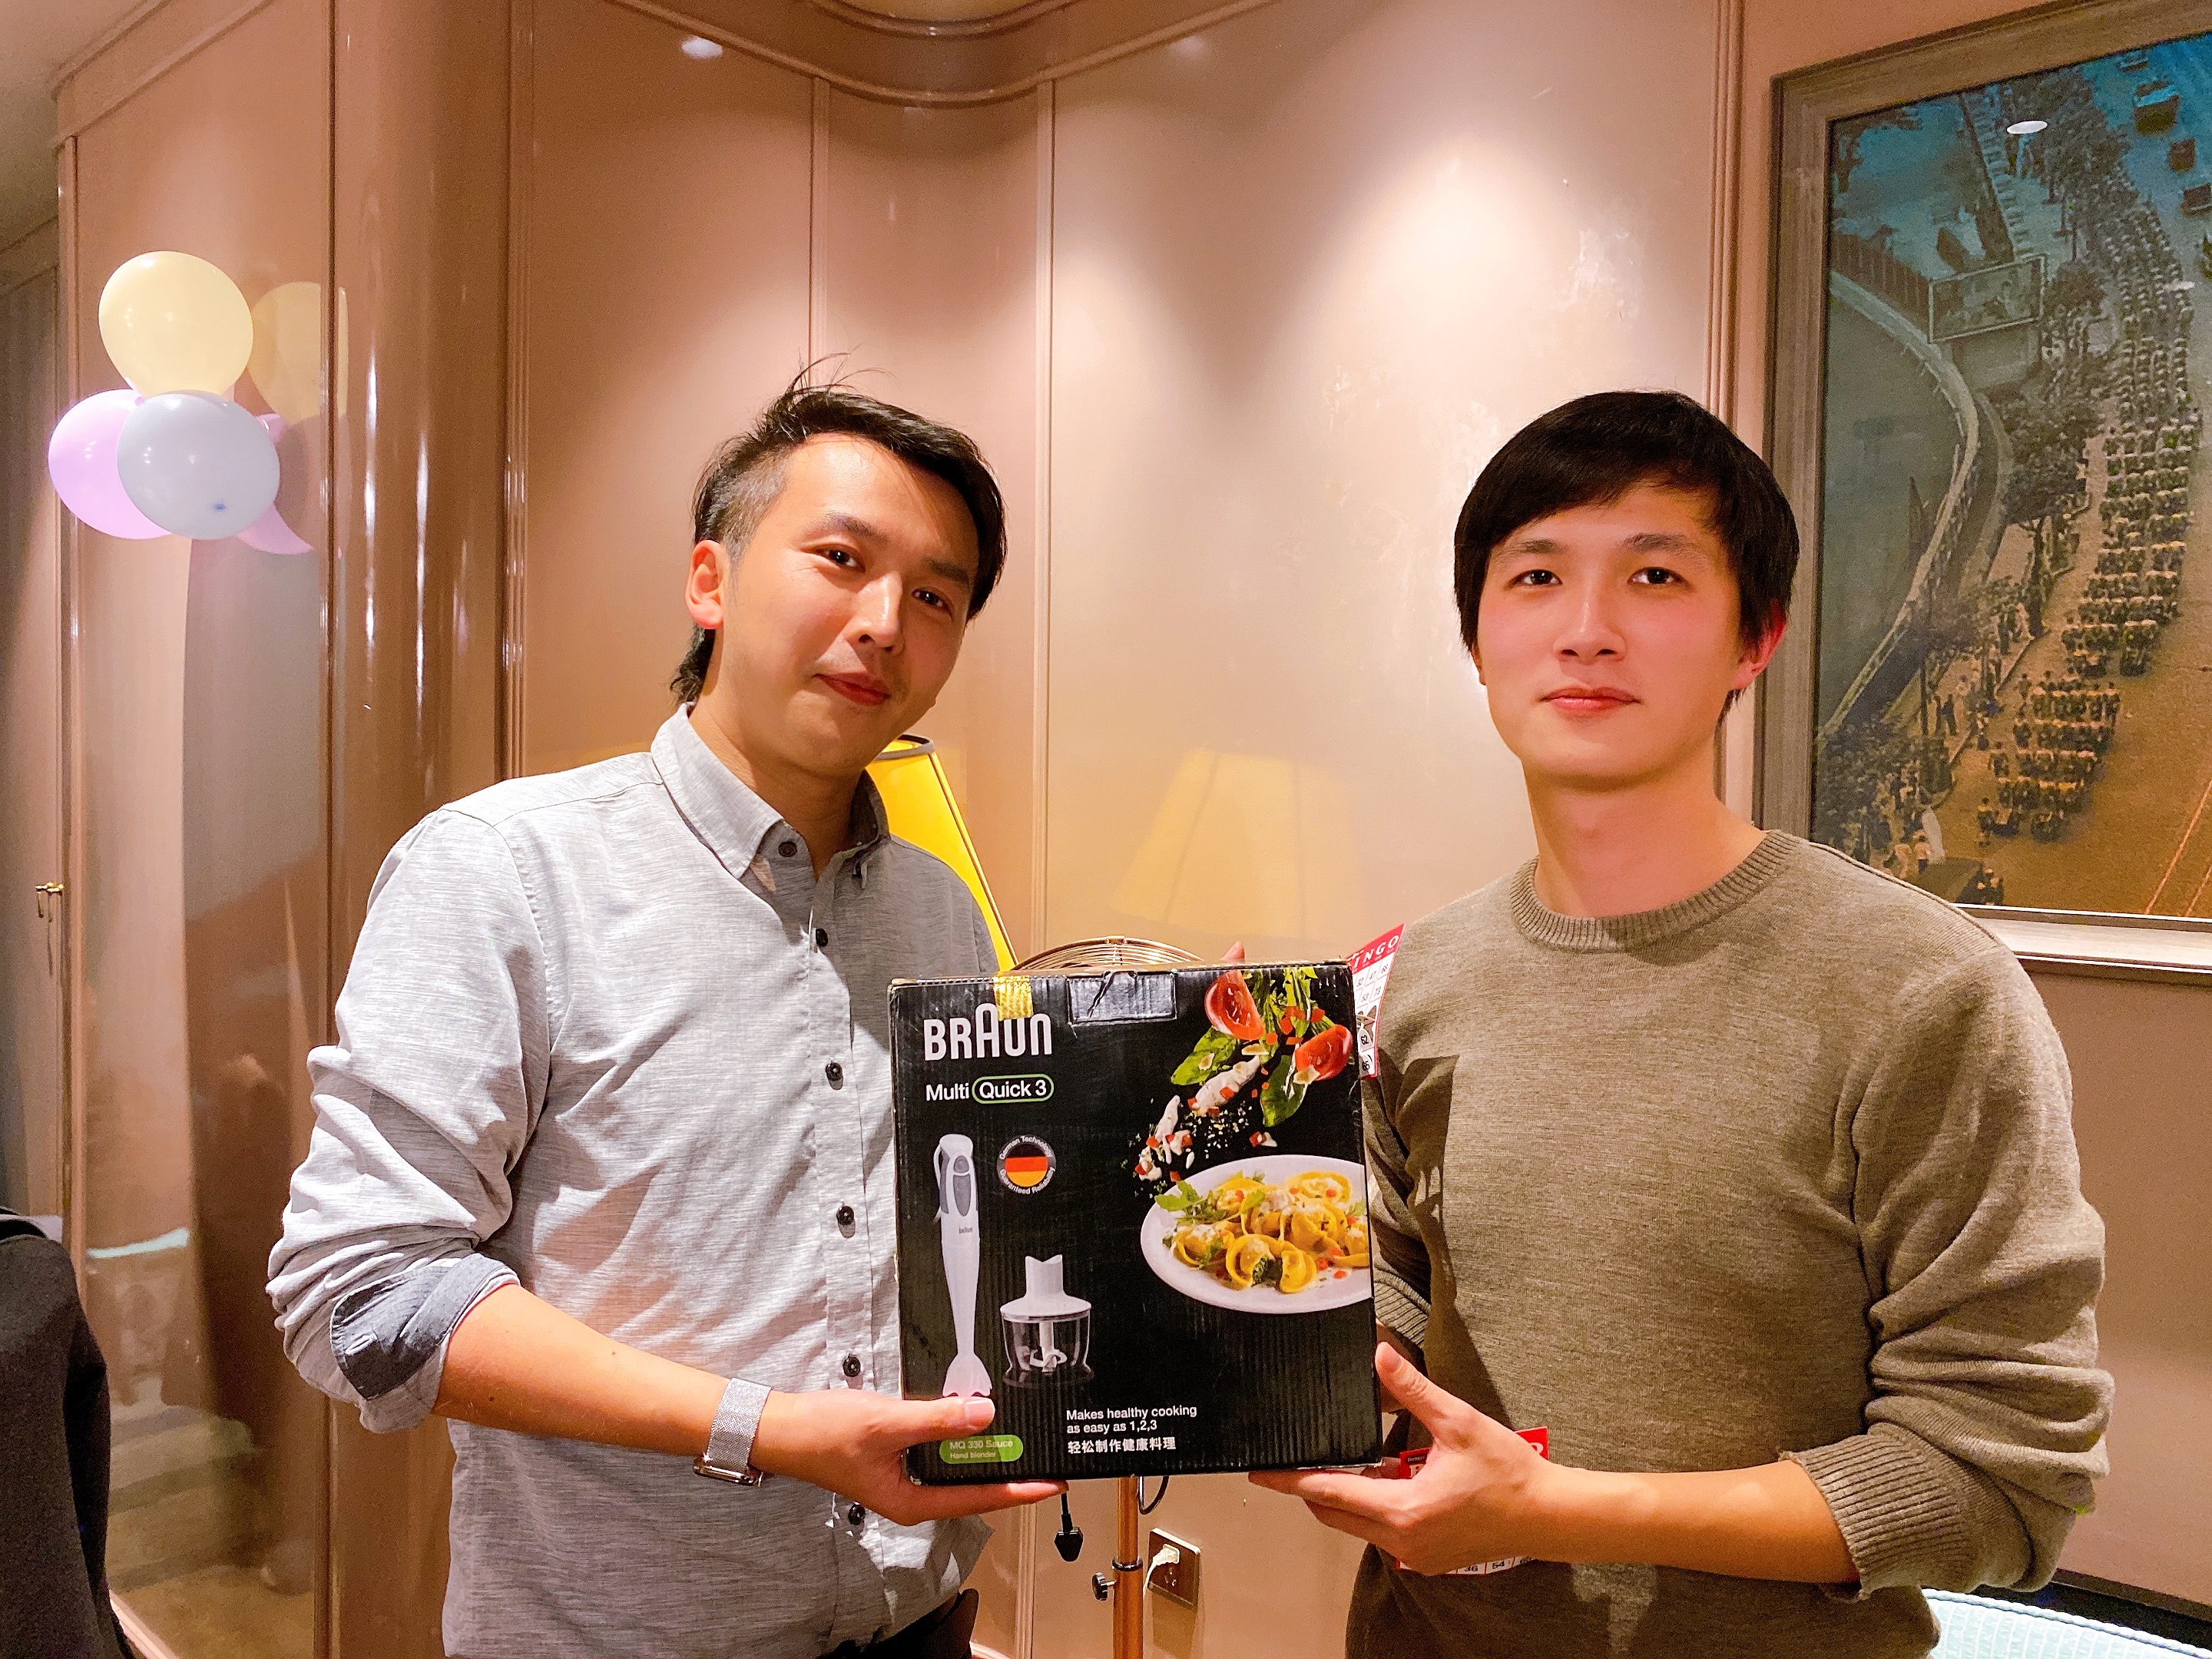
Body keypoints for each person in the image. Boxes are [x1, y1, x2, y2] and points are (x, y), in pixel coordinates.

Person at [1255, 391, 2108, 1657]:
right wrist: (1252, 1211)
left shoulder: (1922, 990)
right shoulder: (1415, 977)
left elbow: (1998, 1480)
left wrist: (1557, 1512)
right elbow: (1397, 1299)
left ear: (1755, 638)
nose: (1587, 630)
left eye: (1654, 576)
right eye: (1536, 577)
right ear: (1476, 640)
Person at [267, 382, 1061, 1659]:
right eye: (841, 560)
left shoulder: (939, 911)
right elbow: (361, 1293)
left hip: (919, 1627)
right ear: (711, 580)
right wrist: (762, 1427)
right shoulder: (504, 870)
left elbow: (992, 1215)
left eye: (936, 596)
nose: (882, 624)